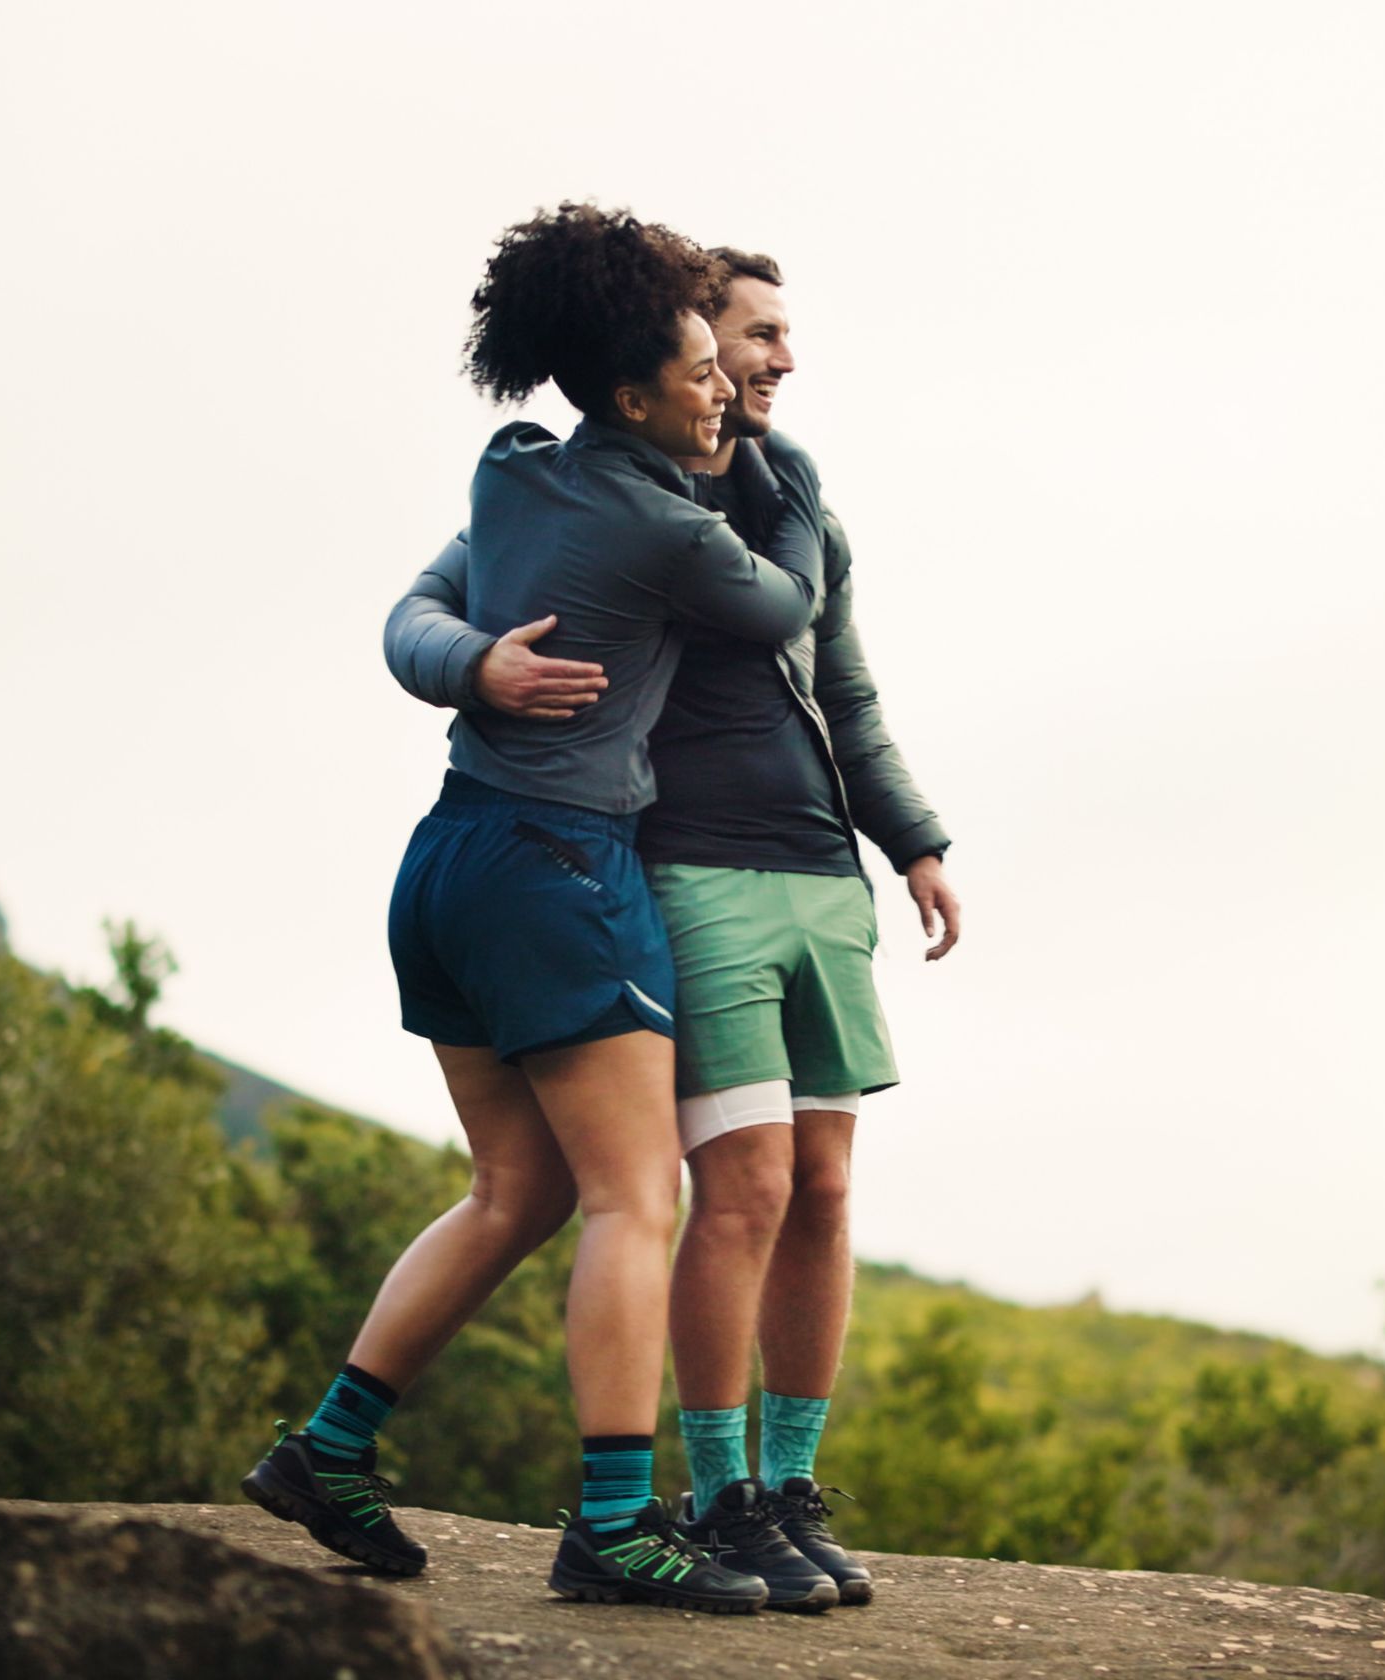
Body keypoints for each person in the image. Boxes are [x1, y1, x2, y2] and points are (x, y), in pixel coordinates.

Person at [243, 203, 823, 1615]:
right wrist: (779, 464)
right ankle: (618, 1525)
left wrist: (467, 664)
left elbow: (414, 610)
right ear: (634, 393)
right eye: (700, 373)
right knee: (640, 1195)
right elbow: (786, 599)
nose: (721, 391)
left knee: (520, 1189)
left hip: (447, 863)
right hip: (563, 866)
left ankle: (328, 1449)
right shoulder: (670, 529)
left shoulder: (512, 474)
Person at [384, 247, 960, 1611]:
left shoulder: (793, 488)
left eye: (770, 340)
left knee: (821, 1191)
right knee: (733, 1190)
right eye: (749, 337)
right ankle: (712, 1498)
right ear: (676, 360)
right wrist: (475, 663)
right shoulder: (600, 487)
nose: (773, 362)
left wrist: (916, 839)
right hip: (683, 873)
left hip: (823, 876)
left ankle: (787, 1488)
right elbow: (415, 612)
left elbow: (846, 690)